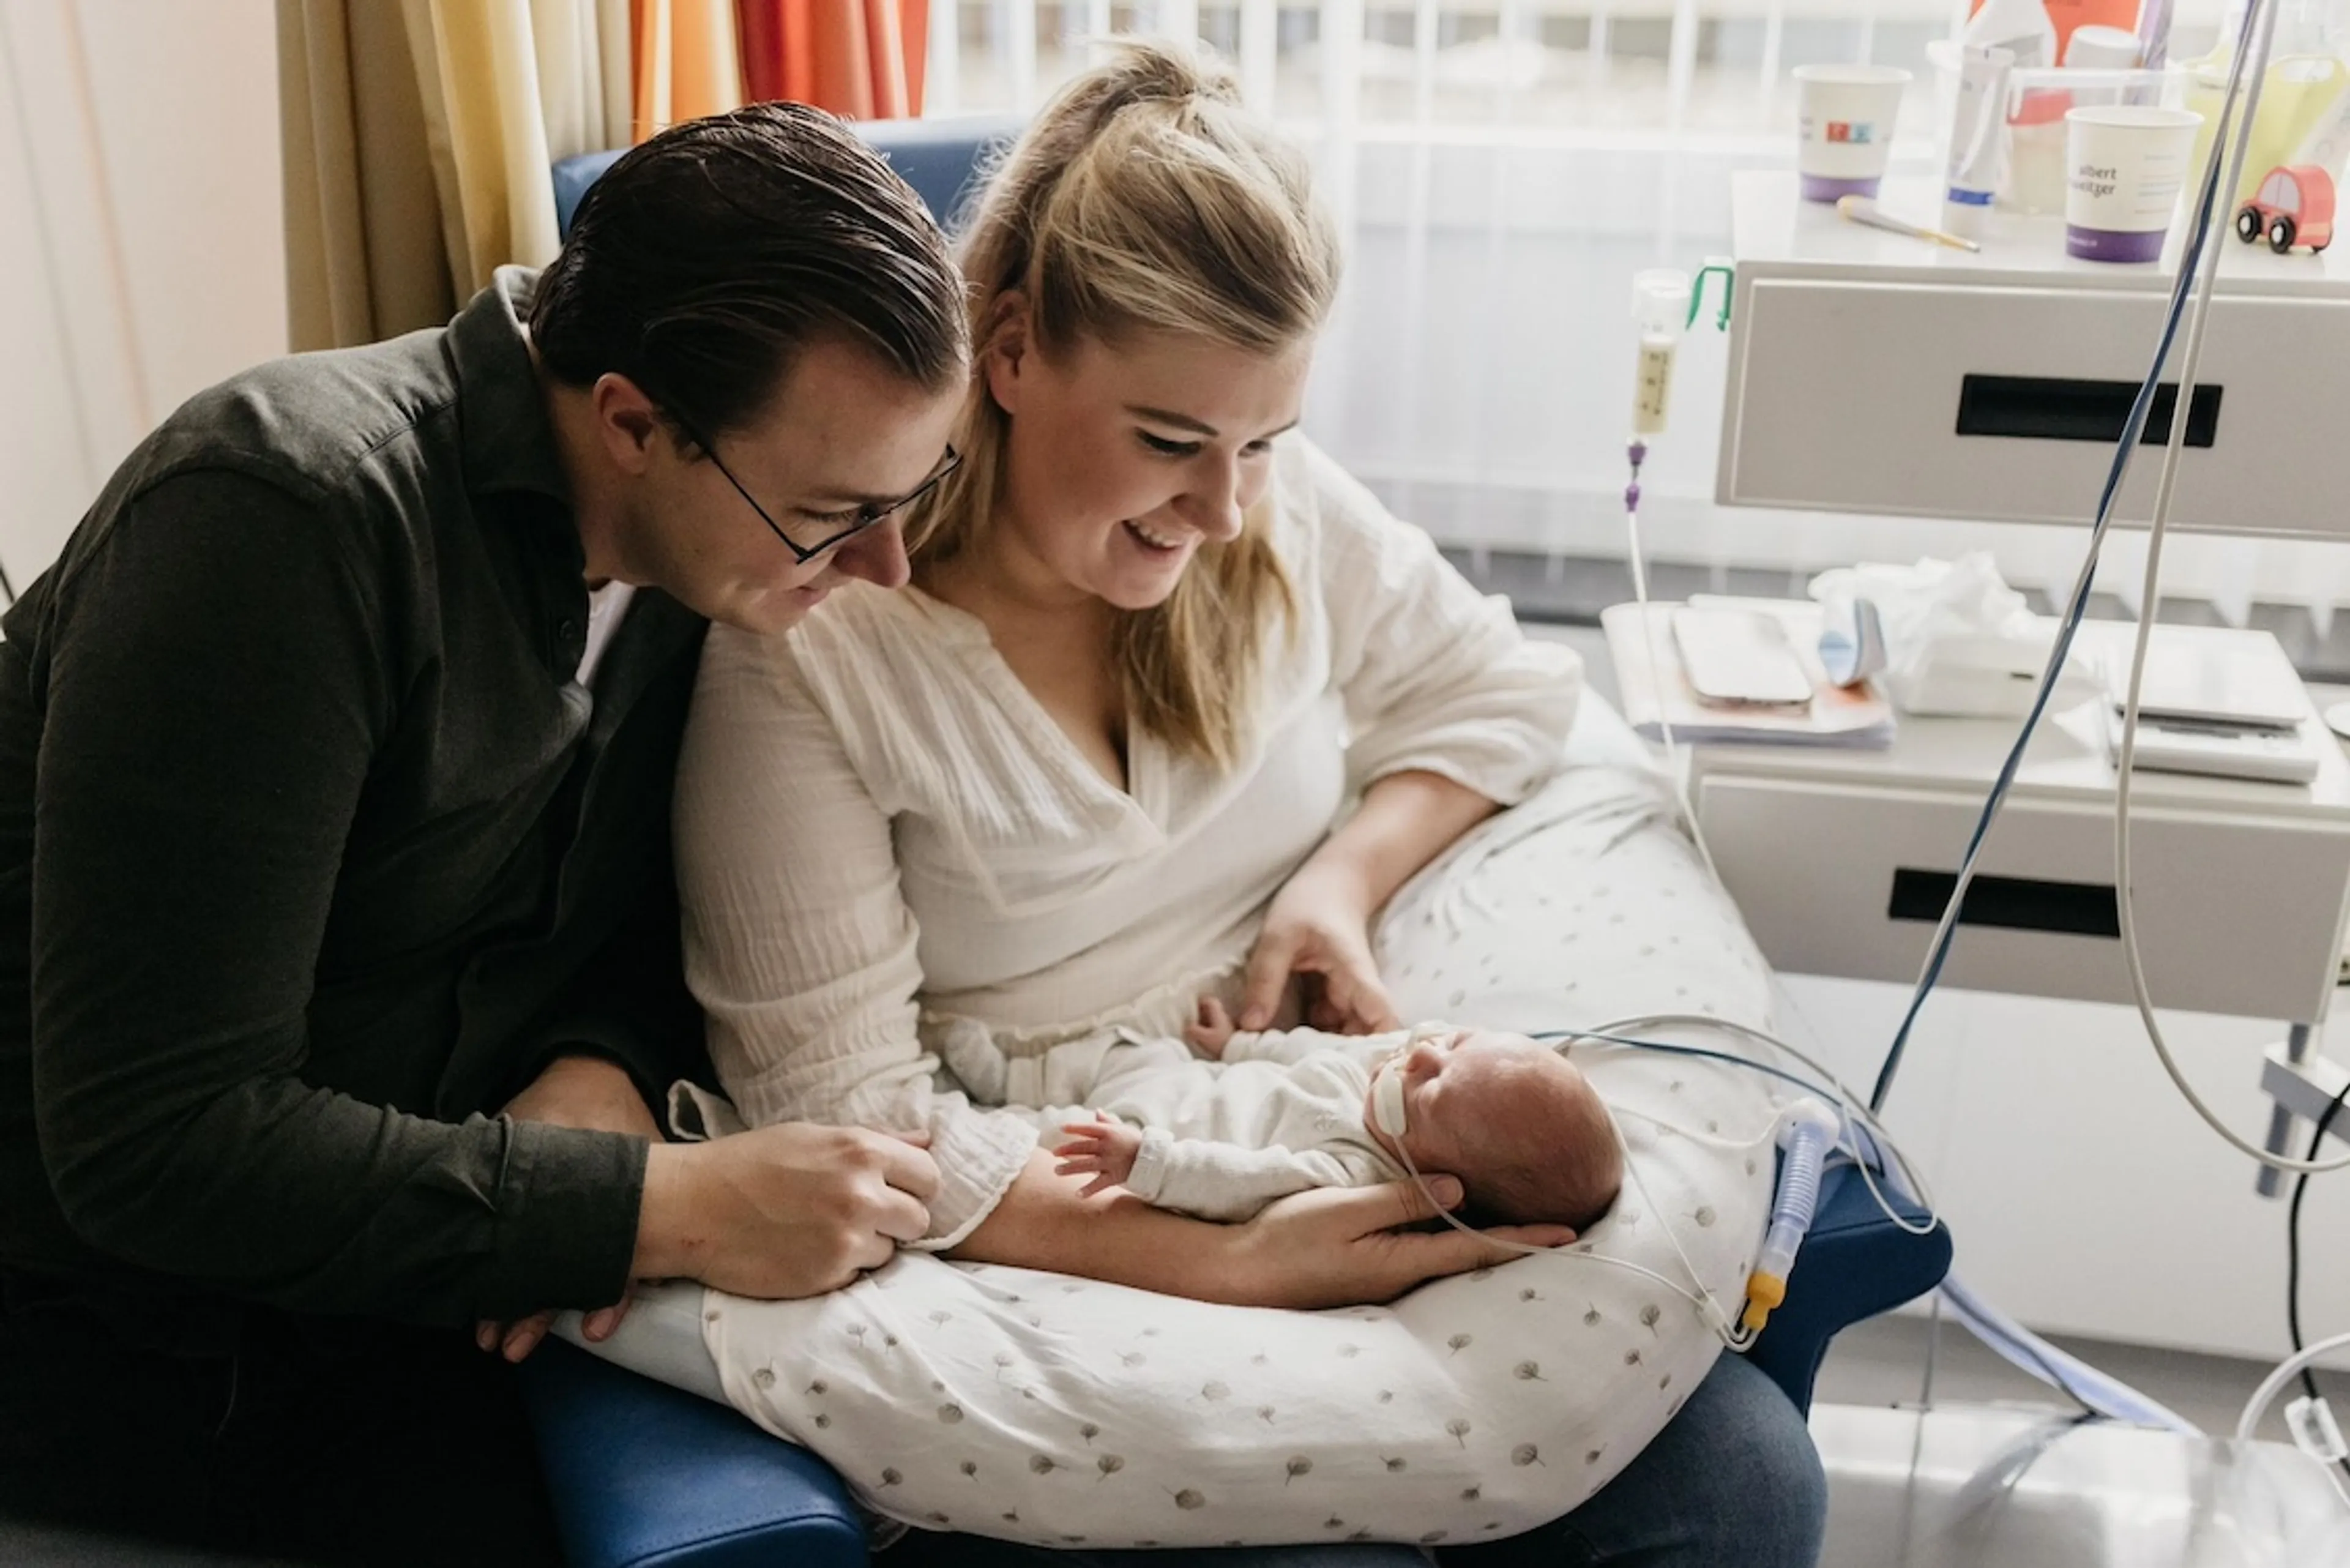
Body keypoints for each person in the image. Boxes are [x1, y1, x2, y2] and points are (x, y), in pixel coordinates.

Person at [674, 41, 1826, 1568]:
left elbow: (1496, 699)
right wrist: (1228, 1266)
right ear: (1006, 352)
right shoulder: (817, 658)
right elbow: (847, 1121)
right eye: (1169, 443)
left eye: (1263, 445)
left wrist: (1333, 887)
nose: (1222, 510)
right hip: (1054, 1197)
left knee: (1744, 1483)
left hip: (1299, 1104)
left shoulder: (1264, 517)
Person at [0, 105, 969, 1566]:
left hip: (446, 1249)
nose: (881, 566)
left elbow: (635, 913)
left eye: (911, 499)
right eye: (836, 513)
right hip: (156, 1336)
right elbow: (157, 1144)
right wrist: (655, 1206)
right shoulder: (283, 523)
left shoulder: (701, 552)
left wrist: (603, 1060)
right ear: (634, 422)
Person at [941, 1014, 1624, 1231]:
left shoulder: (1354, 1173)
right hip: (1189, 1074)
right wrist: (1236, 1045)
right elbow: (1305, 1049)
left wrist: (1145, 1161)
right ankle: (1007, 1076)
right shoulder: (1384, 1069)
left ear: (1440, 1177)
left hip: (1155, 1127)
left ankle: (990, 1111)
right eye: (1452, 1044)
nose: (1420, 1053)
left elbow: (1242, 1182)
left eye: (1434, 1088)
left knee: (1060, 1134)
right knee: (1128, 1046)